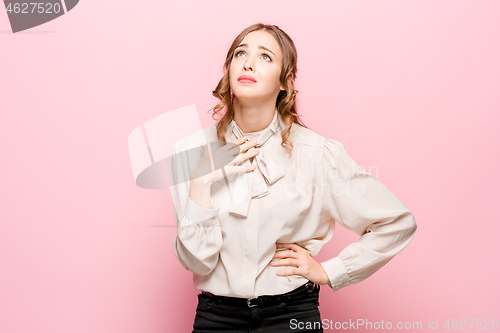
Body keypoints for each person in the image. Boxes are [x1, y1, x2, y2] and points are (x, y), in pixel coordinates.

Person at [170, 23, 417, 333]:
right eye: (240, 53)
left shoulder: (317, 153)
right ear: (229, 69)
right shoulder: (191, 151)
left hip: (291, 316)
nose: (248, 63)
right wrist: (200, 184)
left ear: (285, 82)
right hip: (216, 318)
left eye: (265, 57)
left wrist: (331, 271)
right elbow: (198, 262)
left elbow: (396, 222)